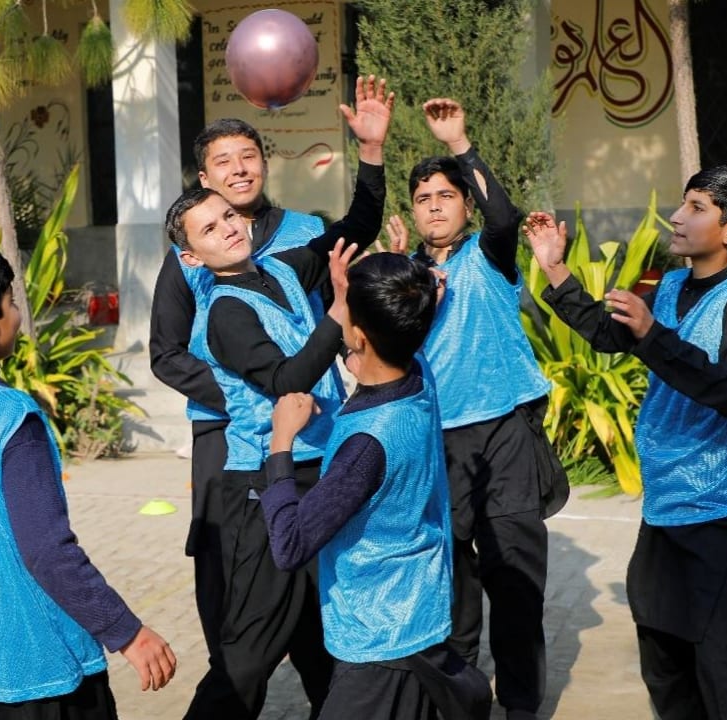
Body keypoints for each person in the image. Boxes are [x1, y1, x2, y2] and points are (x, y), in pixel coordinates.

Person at [523, 165, 727, 719]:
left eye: (697, 207)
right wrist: (556, 269)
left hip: (724, 515)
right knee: (665, 661)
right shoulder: (669, 283)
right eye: (682, 203)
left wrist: (652, 337)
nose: (677, 217)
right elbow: (615, 336)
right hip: (666, 507)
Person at [167, 75, 394, 720]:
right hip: (261, 483)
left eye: (231, 220)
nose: (228, 229)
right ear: (191, 256)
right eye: (209, 228)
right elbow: (288, 379)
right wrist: (340, 312)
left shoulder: (284, 268)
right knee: (248, 653)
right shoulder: (226, 313)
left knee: (325, 637)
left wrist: (372, 154)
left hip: (311, 468)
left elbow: (355, 227)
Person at [0, 241, 177, 720]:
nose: (19, 315)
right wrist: (127, 632)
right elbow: (49, 551)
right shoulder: (8, 418)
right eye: (11, 303)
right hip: (34, 672)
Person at [383, 98, 568, 719]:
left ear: (465, 204)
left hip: (504, 434)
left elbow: (505, 214)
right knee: (452, 587)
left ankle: (519, 707)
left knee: (514, 583)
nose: (434, 205)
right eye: (423, 197)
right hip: (436, 443)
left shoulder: (488, 257)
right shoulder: (408, 272)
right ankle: (459, 704)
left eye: (446, 195)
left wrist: (460, 142)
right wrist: (396, 263)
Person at [260, 252, 491, 720]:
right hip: (421, 607)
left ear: (360, 334)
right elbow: (400, 335)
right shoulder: (418, 373)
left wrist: (281, 442)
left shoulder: (366, 447)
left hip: (379, 637)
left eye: (346, 311)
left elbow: (290, 544)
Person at [148, 115, 324, 661]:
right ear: (204, 176)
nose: (238, 168)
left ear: (264, 162)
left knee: (308, 546)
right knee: (227, 556)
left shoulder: (305, 232)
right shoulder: (190, 252)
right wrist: (241, 392)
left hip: (307, 425)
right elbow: (165, 354)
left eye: (247, 155)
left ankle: (318, 667)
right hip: (224, 431)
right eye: (222, 161)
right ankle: (233, 669)